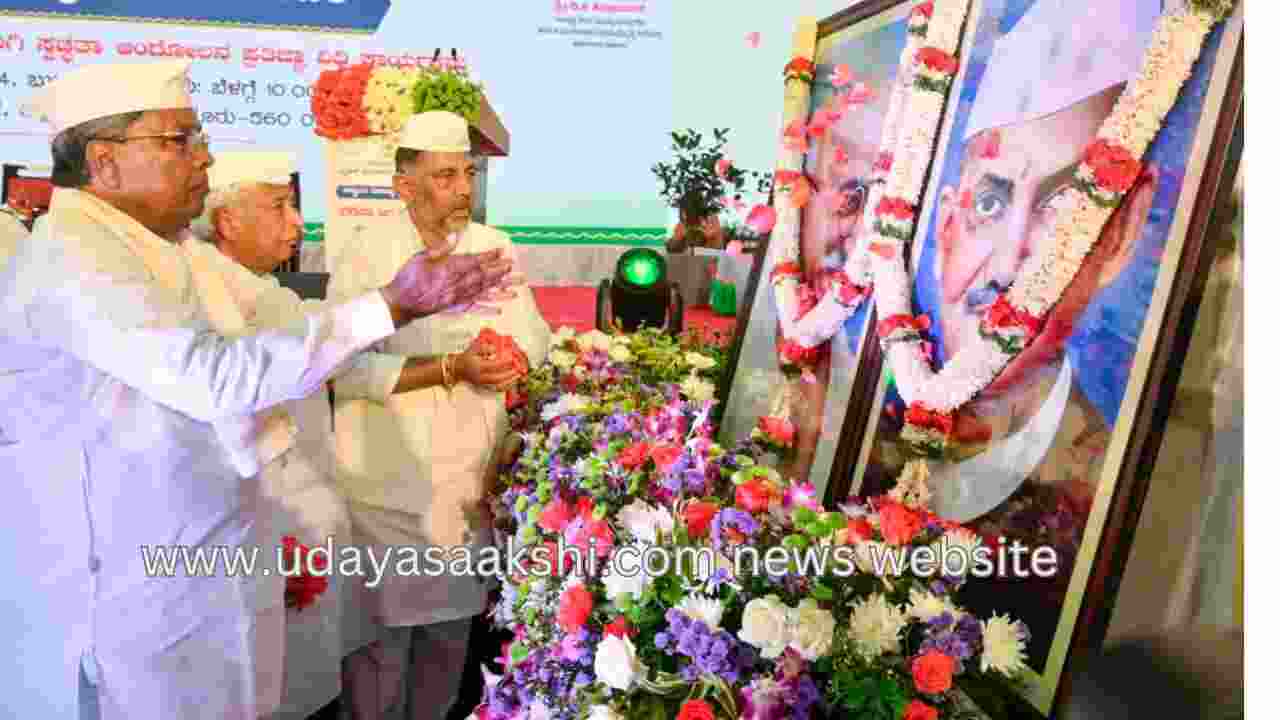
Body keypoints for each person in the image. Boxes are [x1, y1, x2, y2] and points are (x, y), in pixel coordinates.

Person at [0, 59, 513, 720]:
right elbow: (216, 377)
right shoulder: (73, 261)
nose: (205, 158)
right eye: (179, 140)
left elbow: (291, 332)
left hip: (208, 574)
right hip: (133, 603)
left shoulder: (170, 249)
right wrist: (388, 307)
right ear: (105, 163)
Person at [868, 0, 1162, 668]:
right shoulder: (871, 419)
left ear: (1119, 235)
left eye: (1062, 212)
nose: (1004, 267)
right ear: (944, 220)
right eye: (991, 203)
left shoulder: (1116, 491)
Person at [330, 110, 552, 720]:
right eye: (445, 175)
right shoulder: (365, 251)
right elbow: (342, 370)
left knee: (450, 641)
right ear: (404, 185)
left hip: (466, 480)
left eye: (467, 174)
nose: (462, 189)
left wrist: (511, 355)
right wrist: (454, 367)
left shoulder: (492, 245)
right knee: (381, 646)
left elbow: (534, 335)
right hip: (385, 484)